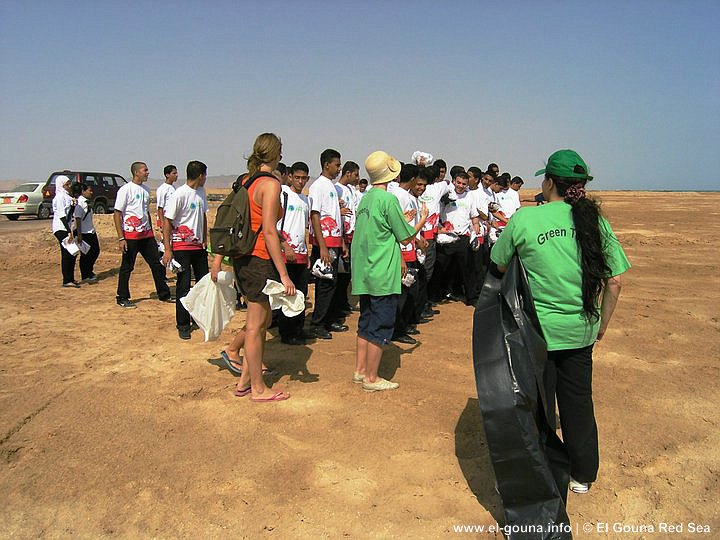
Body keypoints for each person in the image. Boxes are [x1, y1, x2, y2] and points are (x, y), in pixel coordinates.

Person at [490, 149, 630, 495]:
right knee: (578, 402)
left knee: (538, 404)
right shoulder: (595, 222)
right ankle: (582, 475)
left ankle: (542, 471)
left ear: (548, 181)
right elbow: (615, 281)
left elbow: (499, 263)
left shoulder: (525, 219)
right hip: (580, 333)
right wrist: (601, 326)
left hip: (538, 335)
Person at [211, 133, 295, 402]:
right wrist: (283, 274)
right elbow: (269, 231)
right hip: (259, 259)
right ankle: (258, 389)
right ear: (275, 153)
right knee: (256, 326)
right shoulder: (270, 185)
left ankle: (246, 382)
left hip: (246, 258)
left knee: (260, 323)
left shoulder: (246, 181)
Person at [351, 151, 417, 392]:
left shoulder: (366, 199)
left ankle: (360, 370)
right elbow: (406, 235)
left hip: (365, 271)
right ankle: (371, 377)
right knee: (380, 324)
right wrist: (418, 220)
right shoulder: (388, 200)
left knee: (366, 321)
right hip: (382, 273)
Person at [114, 161, 173, 309]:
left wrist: (152, 231)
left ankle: (164, 293)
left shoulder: (146, 190)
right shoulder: (125, 190)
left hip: (146, 235)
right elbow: (117, 213)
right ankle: (122, 297)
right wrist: (121, 237)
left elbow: (146, 212)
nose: (148, 172)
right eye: (145, 170)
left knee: (157, 264)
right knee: (127, 267)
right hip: (131, 236)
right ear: (136, 172)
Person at [163, 160, 210, 340]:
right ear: (200, 175)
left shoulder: (201, 192)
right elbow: (168, 221)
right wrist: (168, 249)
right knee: (183, 285)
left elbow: (203, 216)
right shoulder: (179, 194)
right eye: (205, 174)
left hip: (198, 247)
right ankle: (183, 324)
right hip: (182, 247)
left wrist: (205, 238)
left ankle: (198, 318)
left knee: (202, 284)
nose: (206, 178)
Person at [308, 148, 347, 339]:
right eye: (337, 165)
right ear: (327, 165)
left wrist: (341, 243)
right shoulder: (318, 186)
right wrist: (322, 246)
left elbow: (333, 216)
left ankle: (329, 319)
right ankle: (317, 323)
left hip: (334, 242)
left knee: (333, 283)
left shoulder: (331, 186)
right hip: (325, 244)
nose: (339, 168)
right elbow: (315, 215)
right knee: (324, 283)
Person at [277, 161, 311, 345]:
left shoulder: (306, 200)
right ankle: (286, 332)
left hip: (301, 254)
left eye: (304, 178)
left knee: (301, 293)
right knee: (287, 294)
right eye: (297, 177)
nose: (300, 181)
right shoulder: (283, 196)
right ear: (290, 177)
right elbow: (275, 226)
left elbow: (303, 228)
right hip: (285, 253)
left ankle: (298, 329)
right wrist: (286, 246)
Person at [51, 175, 79, 288]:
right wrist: (69, 232)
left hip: (67, 227)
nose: (69, 186)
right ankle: (67, 280)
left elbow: (69, 215)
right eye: (67, 184)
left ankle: (70, 278)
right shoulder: (59, 198)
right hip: (61, 228)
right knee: (67, 253)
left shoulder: (67, 197)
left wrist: (73, 205)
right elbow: (62, 216)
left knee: (72, 253)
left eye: (69, 184)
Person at [73, 183, 100, 284]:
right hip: (84, 232)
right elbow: (78, 219)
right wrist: (79, 234)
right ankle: (85, 275)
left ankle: (89, 271)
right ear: (83, 191)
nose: (91, 192)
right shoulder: (80, 203)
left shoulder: (87, 202)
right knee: (86, 254)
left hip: (90, 230)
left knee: (95, 251)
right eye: (89, 190)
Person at [156, 164, 178, 230]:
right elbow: (160, 207)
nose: (176, 175)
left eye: (176, 173)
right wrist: (163, 224)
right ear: (167, 175)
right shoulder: (162, 189)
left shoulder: (174, 188)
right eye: (174, 173)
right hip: (165, 220)